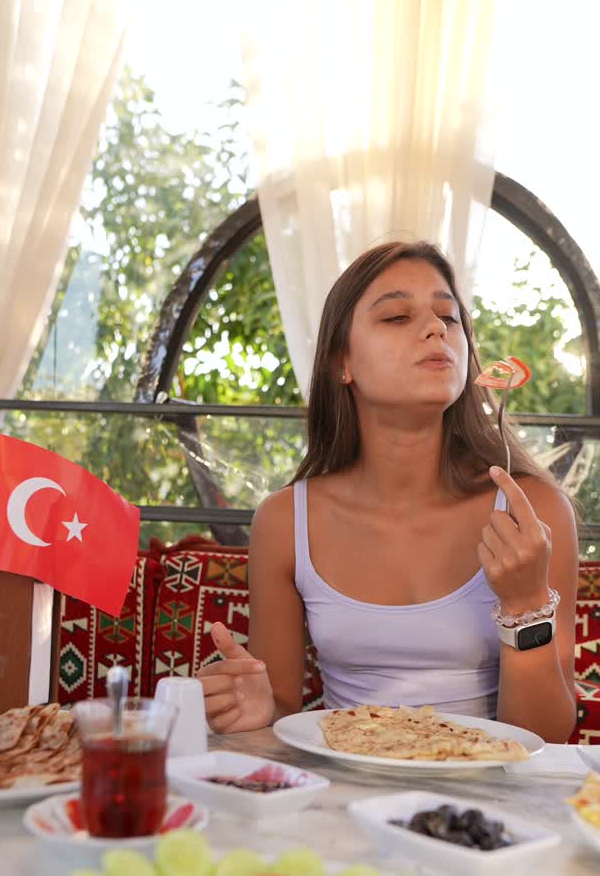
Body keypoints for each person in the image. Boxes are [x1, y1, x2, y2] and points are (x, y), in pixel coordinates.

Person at [196, 241, 578, 743]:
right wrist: (254, 704)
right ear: (342, 363)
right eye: (397, 317)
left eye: (449, 316)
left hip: (486, 808)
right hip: (340, 802)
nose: (436, 328)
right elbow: (282, 708)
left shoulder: (535, 512)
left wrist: (526, 603)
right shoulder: (285, 521)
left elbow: (545, 736)